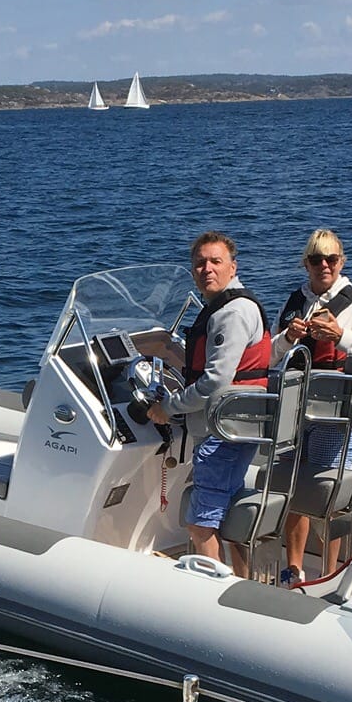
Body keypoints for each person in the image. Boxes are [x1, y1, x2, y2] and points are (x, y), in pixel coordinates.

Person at [274, 227, 352, 584]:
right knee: (292, 490)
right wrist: (288, 338)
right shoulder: (294, 302)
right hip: (294, 412)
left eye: (330, 259)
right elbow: (271, 354)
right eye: (316, 259)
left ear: (341, 262)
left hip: (335, 416)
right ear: (306, 263)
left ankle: (330, 572)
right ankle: (293, 568)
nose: (323, 265)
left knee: (329, 494)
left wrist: (342, 337)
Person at [147, 232, 271, 575]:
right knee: (227, 515)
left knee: (200, 524)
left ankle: (216, 594)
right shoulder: (236, 306)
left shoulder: (230, 313)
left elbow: (215, 380)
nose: (207, 269)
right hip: (240, 424)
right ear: (192, 271)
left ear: (233, 267)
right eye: (200, 263)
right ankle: (245, 583)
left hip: (223, 430)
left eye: (216, 261)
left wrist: (168, 407)